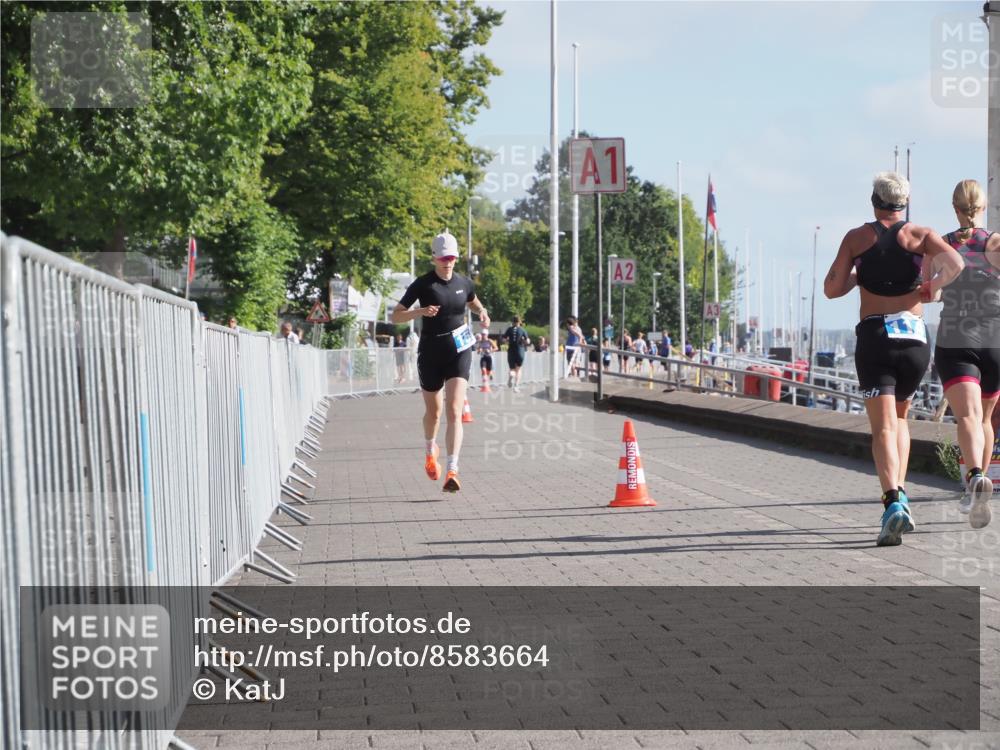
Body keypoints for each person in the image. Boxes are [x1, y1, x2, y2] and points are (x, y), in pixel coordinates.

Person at [824, 171, 963, 546]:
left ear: (874, 201)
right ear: (904, 204)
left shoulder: (857, 237)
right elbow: (956, 264)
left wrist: (856, 276)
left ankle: (892, 502)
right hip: (916, 340)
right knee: (900, 418)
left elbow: (831, 289)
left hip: (876, 336)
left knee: (883, 426)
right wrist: (932, 287)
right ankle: (901, 494)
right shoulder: (919, 235)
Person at [391, 231, 490, 493]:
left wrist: (482, 312)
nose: (448, 262)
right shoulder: (423, 285)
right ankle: (429, 447)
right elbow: (396, 316)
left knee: (455, 410)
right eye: (443, 258)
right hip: (431, 352)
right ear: (434, 258)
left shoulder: (464, 283)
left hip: (459, 350)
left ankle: (453, 470)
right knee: (434, 413)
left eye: (452, 258)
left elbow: (472, 301)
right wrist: (420, 311)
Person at [934, 179, 1000, 529]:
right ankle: (979, 482)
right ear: (982, 206)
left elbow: (928, 292)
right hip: (995, 339)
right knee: (986, 418)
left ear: (955, 207)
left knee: (967, 418)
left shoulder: (942, 245)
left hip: (956, 338)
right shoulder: (996, 243)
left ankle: (974, 476)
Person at [503, 316, 530, 392]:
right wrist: (524, 341)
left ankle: (511, 375)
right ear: (520, 322)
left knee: (512, 368)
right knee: (518, 369)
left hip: (511, 351)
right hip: (520, 351)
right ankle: (516, 386)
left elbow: (504, 339)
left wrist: (508, 341)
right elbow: (528, 341)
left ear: (512, 322)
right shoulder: (522, 330)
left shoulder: (509, 329)